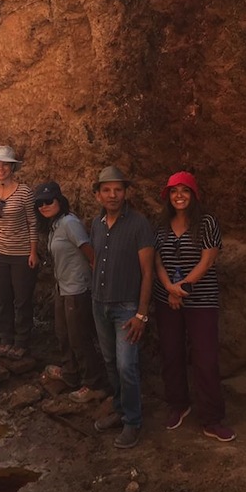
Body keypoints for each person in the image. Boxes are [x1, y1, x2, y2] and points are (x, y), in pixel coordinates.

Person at [153, 171, 235, 442]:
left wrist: (183, 288)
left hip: (201, 298)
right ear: (167, 196)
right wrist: (169, 289)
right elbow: (157, 262)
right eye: (174, 191)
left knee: (205, 358)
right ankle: (178, 404)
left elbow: (208, 259)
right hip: (168, 299)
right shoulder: (161, 225)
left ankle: (211, 418)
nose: (179, 196)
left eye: (184, 190)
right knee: (171, 353)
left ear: (194, 195)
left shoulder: (207, 222)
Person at [90, 166, 155, 450]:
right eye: (107, 190)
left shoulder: (139, 224)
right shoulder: (96, 223)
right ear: (98, 195)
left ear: (125, 193)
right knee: (109, 362)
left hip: (127, 307)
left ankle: (133, 421)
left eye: (118, 190)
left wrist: (141, 313)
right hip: (99, 303)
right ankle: (119, 409)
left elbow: (148, 272)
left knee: (127, 365)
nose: (113, 195)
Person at [35, 181, 104, 402]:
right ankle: (70, 373)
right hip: (62, 288)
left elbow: (91, 254)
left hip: (77, 289)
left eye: (49, 201)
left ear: (59, 201)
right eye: (40, 203)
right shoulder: (55, 225)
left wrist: (93, 284)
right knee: (63, 334)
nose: (44, 206)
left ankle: (92, 383)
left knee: (79, 338)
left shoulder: (70, 223)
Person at [0, 146, 38, 359]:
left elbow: (33, 223)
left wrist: (33, 252)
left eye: (5, 164)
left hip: (22, 254)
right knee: (3, 299)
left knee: (22, 300)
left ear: (12, 167)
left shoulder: (25, 192)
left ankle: (22, 341)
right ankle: (5, 338)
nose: (1, 168)